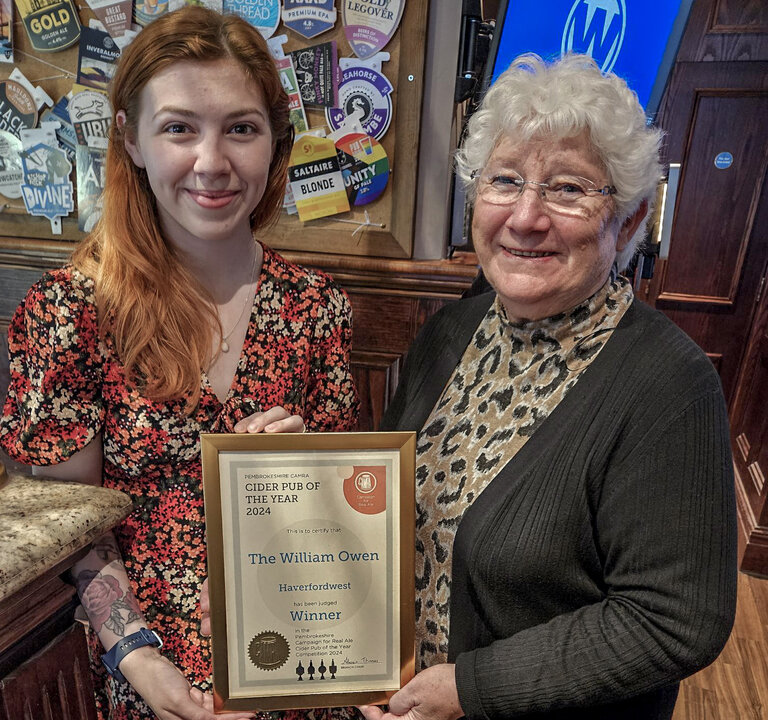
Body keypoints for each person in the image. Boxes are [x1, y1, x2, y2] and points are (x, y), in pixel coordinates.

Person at [0, 7, 358, 720]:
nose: (212, 161)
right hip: (147, 664)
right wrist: (137, 655)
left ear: (274, 141)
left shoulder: (318, 308)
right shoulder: (70, 312)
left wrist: (310, 476)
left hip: (297, 655)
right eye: (179, 128)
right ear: (130, 139)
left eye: (241, 128)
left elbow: (344, 532)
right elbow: (71, 531)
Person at [360, 54, 737, 720]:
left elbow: (675, 619)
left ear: (628, 218)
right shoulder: (451, 331)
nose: (526, 216)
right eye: (505, 180)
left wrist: (472, 688)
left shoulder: (670, 385)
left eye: (567, 190)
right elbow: (380, 502)